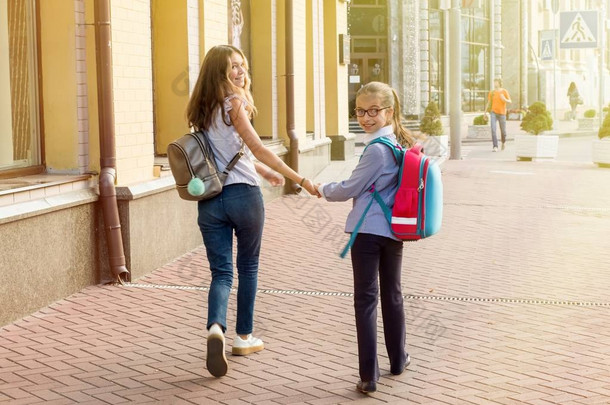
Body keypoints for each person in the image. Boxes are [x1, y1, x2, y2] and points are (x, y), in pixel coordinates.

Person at [185, 45, 318, 378]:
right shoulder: (234, 103)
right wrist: (297, 177)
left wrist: (261, 170)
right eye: (233, 66)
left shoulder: (200, 110)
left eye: (242, 65)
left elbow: (223, 154)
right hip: (243, 198)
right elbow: (256, 146)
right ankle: (243, 337)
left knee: (221, 273)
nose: (240, 71)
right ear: (219, 71)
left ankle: (215, 327)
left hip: (210, 201)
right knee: (248, 266)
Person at [314, 81, 413, 394]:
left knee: (366, 301)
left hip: (367, 234)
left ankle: (369, 375)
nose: (366, 117)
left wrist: (322, 189)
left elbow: (351, 188)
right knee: (393, 295)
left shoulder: (376, 151)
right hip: (393, 231)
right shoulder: (399, 144)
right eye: (360, 111)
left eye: (373, 111)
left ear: (389, 111)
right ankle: (398, 360)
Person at [484, 78, 512, 152]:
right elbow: (489, 102)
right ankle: (495, 146)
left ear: (499, 83)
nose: (495, 83)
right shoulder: (492, 92)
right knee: (493, 129)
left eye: (496, 82)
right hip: (493, 113)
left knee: (503, 131)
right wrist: (485, 113)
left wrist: (504, 100)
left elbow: (510, 101)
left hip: (502, 114)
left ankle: (503, 142)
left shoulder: (504, 91)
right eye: (494, 82)